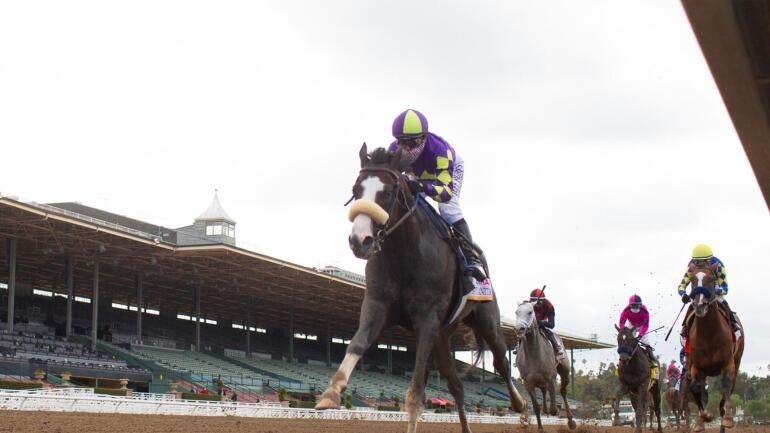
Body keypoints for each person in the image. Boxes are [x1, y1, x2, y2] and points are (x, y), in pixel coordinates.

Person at [388, 109, 486, 281]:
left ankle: (471, 257)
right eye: (402, 142)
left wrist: (421, 186)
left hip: (446, 172)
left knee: (448, 209)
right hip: (418, 174)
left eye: (413, 142)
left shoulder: (440, 150)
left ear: (424, 137)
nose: (407, 148)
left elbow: (446, 193)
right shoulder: (394, 151)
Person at [677, 243, 741, 339]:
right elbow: (681, 286)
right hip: (697, 294)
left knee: (722, 302)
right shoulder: (691, 266)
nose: (699, 264)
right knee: (691, 306)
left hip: (713, 293)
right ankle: (685, 330)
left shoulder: (719, 265)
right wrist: (683, 295)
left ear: (709, 260)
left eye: (702, 262)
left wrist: (715, 291)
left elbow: (725, 288)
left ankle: (734, 325)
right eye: (697, 261)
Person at [618, 294, 657, 366]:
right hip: (631, 324)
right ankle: (621, 360)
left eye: (637, 305)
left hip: (642, 326)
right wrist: (623, 332)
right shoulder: (625, 311)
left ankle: (653, 359)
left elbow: (645, 325)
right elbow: (621, 323)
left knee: (646, 343)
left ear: (640, 305)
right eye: (633, 305)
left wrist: (640, 335)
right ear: (630, 305)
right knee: (626, 340)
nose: (635, 307)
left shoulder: (644, 311)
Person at [530, 288, 566, 360]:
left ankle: (558, 348)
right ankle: (518, 346)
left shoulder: (549, 306)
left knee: (544, 328)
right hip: (532, 320)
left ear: (543, 301)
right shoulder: (529, 305)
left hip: (544, 319)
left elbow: (552, 325)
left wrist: (541, 322)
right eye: (533, 301)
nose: (536, 304)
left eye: (538, 302)